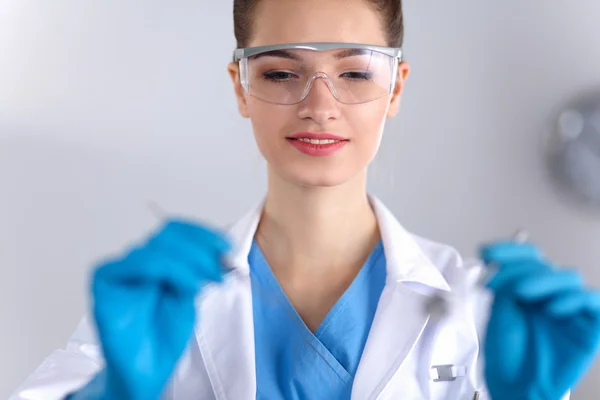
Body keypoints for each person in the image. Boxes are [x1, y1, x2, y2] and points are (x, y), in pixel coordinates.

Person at [11, 0, 600, 399]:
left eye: (355, 72)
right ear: (240, 87)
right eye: (279, 73)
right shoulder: (163, 305)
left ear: (395, 87)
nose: (319, 105)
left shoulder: (477, 313)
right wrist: (112, 392)